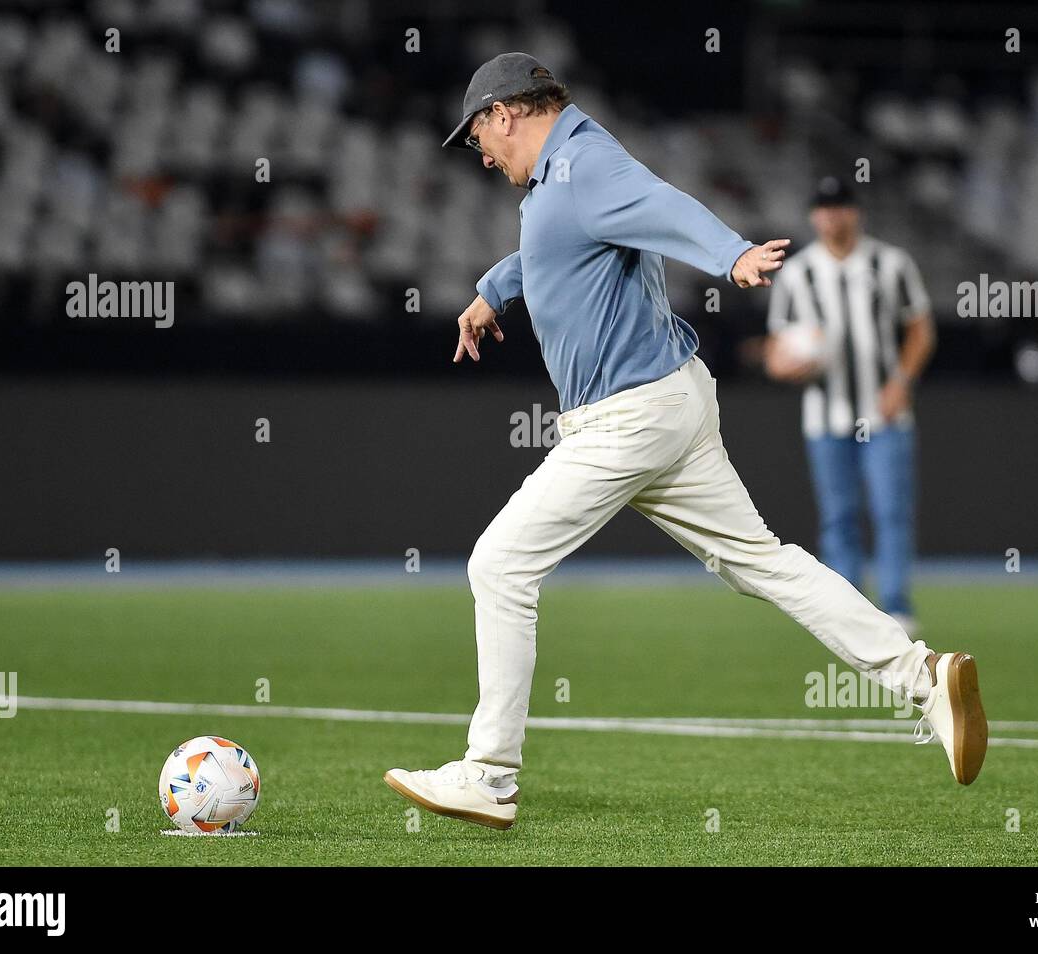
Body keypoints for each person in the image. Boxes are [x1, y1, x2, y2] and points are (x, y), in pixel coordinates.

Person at [384, 55, 985, 830]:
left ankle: (490, 774)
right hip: (673, 403)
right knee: (765, 562)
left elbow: (660, 204)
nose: (482, 154)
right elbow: (558, 247)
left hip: (627, 417)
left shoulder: (581, 164)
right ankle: (923, 676)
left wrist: (729, 253)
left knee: (498, 564)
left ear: (504, 113)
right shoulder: (562, 174)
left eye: (478, 139)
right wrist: (491, 291)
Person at [764, 176, 936, 635]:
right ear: (812, 216)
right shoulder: (798, 274)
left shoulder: (890, 263)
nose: (831, 216)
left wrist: (901, 380)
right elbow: (777, 351)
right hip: (827, 414)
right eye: (823, 208)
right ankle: (850, 610)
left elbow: (920, 328)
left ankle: (896, 605)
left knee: (890, 510)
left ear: (855, 211)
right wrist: (789, 366)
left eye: (839, 206)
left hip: (884, 411)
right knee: (839, 517)